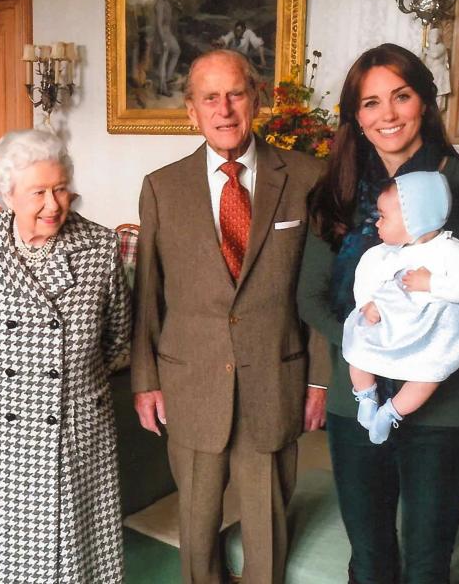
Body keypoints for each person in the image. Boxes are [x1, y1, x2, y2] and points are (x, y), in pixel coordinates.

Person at [297, 43, 459, 583]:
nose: (387, 114)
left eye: (401, 96)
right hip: (358, 405)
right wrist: (368, 342)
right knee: (369, 558)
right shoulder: (338, 192)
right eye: (370, 103)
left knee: (426, 563)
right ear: (356, 117)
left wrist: (424, 340)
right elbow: (311, 297)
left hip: (441, 410)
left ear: (425, 101)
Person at [132, 49, 326, 584]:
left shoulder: (310, 178)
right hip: (189, 381)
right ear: (191, 111)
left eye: (235, 93)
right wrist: (145, 380)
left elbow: (324, 291)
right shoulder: (161, 187)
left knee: (268, 525)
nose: (224, 109)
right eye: (209, 97)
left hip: (275, 378)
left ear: (256, 100)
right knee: (196, 525)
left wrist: (319, 378)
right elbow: (149, 294)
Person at [0, 128, 131, 583]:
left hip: (73, 425)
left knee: (73, 557)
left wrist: (72, 382)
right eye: (38, 192)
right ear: (8, 195)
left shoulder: (100, 249)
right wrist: (1, 386)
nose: (53, 204)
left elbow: (119, 338)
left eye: (61, 188)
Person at [342, 171, 459, 444]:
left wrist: (432, 283)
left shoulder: (451, 251)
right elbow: (364, 278)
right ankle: (366, 396)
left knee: (430, 374)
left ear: (416, 219)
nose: (377, 223)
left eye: (383, 217)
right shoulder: (383, 253)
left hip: (429, 329)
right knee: (357, 347)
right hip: (388, 321)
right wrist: (366, 303)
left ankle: (391, 412)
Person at [153, 0, 180, 97]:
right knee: (163, 59)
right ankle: (162, 88)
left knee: (176, 51)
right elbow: (159, 24)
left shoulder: (167, 2)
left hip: (168, 32)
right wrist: (163, 40)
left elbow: (172, 17)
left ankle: (168, 78)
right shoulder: (159, 4)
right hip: (162, 34)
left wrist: (178, 7)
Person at [422, 28, 450, 111]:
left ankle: (437, 109)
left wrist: (426, 51)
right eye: (433, 36)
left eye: (436, 36)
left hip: (439, 72)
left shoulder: (441, 47)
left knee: (439, 92)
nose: (435, 37)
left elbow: (435, 55)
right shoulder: (429, 48)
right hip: (432, 72)